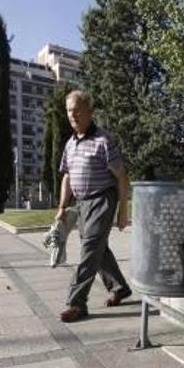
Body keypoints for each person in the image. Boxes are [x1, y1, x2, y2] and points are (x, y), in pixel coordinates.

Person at [55, 90, 132, 323]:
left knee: (90, 248)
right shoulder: (70, 144)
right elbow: (67, 177)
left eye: (78, 110)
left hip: (102, 199)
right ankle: (119, 287)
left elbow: (122, 177)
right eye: (69, 110)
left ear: (90, 111)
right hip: (82, 204)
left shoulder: (103, 140)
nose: (73, 115)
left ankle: (76, 303)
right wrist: (61, 207)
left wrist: (122, 210)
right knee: (98, 249)